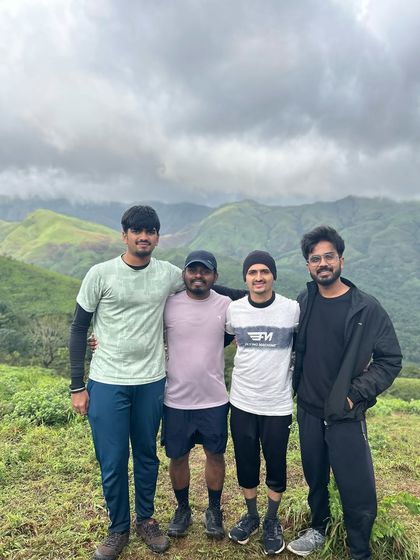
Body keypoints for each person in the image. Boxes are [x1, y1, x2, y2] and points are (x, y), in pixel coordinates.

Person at [69, 205, 183, 560]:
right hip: (107, 381)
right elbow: (78, 328)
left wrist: (255, 302)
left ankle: (146, 520)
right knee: (113, 459)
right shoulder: (100, 274)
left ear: (157, 238)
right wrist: (77, 385)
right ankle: (117, 529)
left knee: (147, 455)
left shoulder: (168, 274)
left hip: (151, 381)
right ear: (125, 235)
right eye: (137, 231)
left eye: (150, 231)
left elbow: (204, 286)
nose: (144, 237)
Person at [287, 225, 402, 560]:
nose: (323, 263)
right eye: (315, 259)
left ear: (341, 260)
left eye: (328, 257)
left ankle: (359, 549)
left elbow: (390, 359)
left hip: (346, 413)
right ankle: (318, 528)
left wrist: (355, 394)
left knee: (357, 486)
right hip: (308, 409)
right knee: (315, 477)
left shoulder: (366, 308)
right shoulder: (305, 300)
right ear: (308, 265)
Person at [225, 251, 300, 556]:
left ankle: (271, 520)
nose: (259, 277)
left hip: (278, 402)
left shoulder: (291, 310)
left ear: (273, 276)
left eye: (264, 272)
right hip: (242, 400)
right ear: (245, 278)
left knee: (276, 464)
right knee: (246, 463)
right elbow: (229, 337)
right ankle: (252, 515)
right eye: (253, 272)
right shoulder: (235, 310)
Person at [162, 250, 232, 540]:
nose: (198, 275)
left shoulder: (226, 305)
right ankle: (183, 508)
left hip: (214, 398)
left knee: (215, 455)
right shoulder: (169, 305)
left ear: (215, 276)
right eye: (193, 270)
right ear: (184, 274)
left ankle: (214, 510)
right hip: (175, 399)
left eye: (205, 271)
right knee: (177, 456)